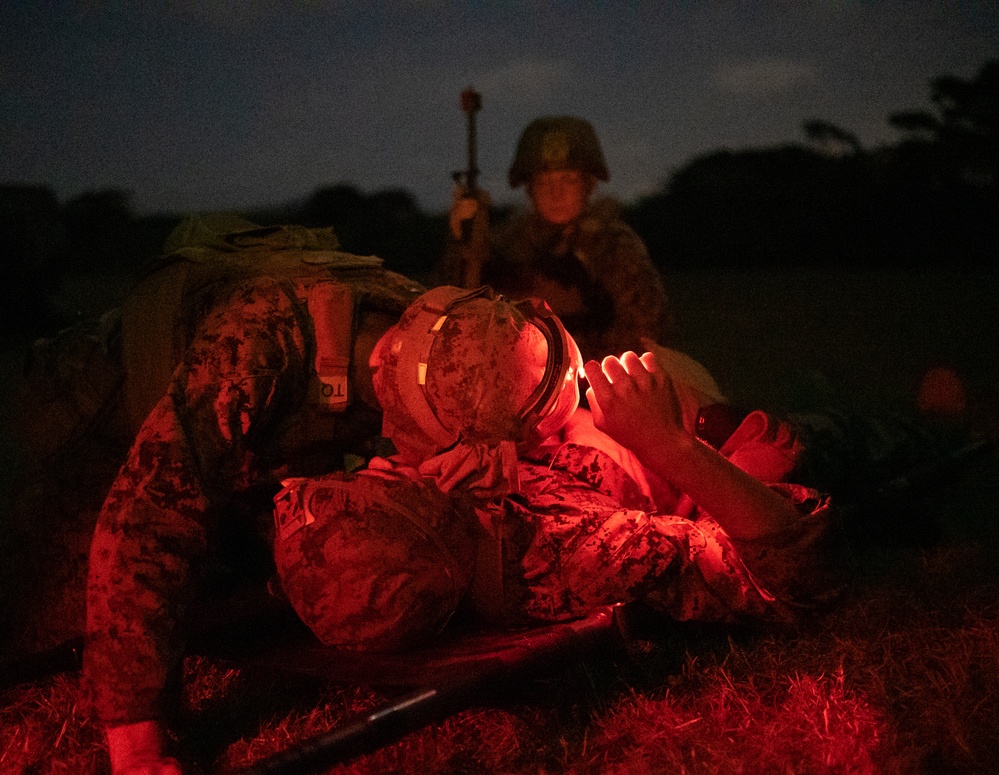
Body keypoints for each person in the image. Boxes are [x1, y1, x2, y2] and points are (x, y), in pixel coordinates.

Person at [274, 286, 850, 661]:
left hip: (665, 408)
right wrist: (671, 445)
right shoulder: (562, 549)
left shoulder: (431, 455)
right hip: (722, 442)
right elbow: (801, 579)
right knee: (813, 436)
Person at [79, 215, 426, 775]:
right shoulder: (255, 341)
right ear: (386, 369)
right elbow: (147, 516)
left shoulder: (444, 323)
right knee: (67, 593)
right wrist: (138, 744)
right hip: (101, 405)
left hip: (269, 444)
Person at [440, 115, 674, 362]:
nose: (556, 192)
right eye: (544, 181)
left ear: (588, 185)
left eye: (568, 179)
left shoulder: (614, 246)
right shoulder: (508, 245)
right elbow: (459, 311)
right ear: (530, 188)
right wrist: (461, 241)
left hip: (595, 384)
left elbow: (648, 332)